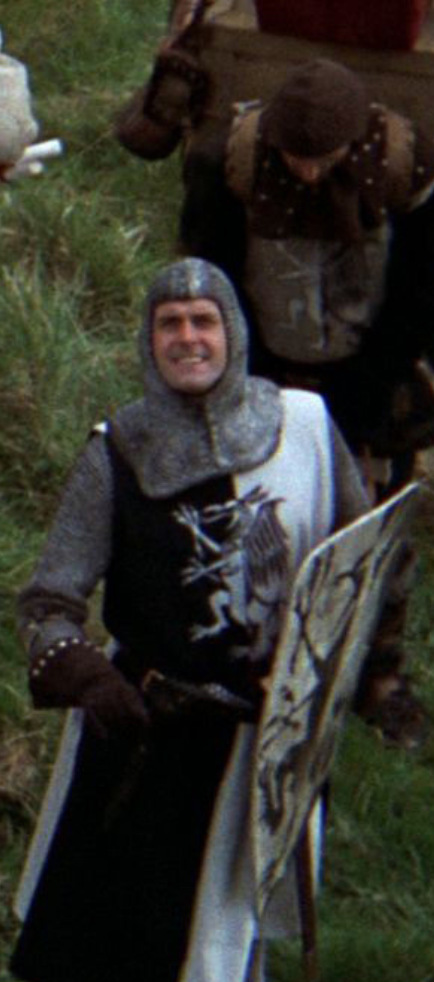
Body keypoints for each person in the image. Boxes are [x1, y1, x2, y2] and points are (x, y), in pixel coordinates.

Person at [13, 259, 373, 982]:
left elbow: (360, 551)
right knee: (134, 896)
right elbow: (48, 600)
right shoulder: (118, 452)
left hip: (275, 705)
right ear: (149, 341)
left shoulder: (303, 425)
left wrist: (371, 669)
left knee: (255, 858)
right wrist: (88, 676)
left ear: (232, 333)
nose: (187, 339)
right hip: (157, 715)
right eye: (170, 323)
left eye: (203, 321)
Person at [180, 58, 434, 741]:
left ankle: (379, 675)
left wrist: (368, 389)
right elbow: (210, 277)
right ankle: (252, 660)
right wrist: (249, 380)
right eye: (296, 159)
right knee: (255, 522)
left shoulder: (404, 170)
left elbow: (420, 290)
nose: (310, 174)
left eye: (324, 159)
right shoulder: (229, 167)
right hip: (266, 369)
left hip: (370, 378)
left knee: (377, 529)